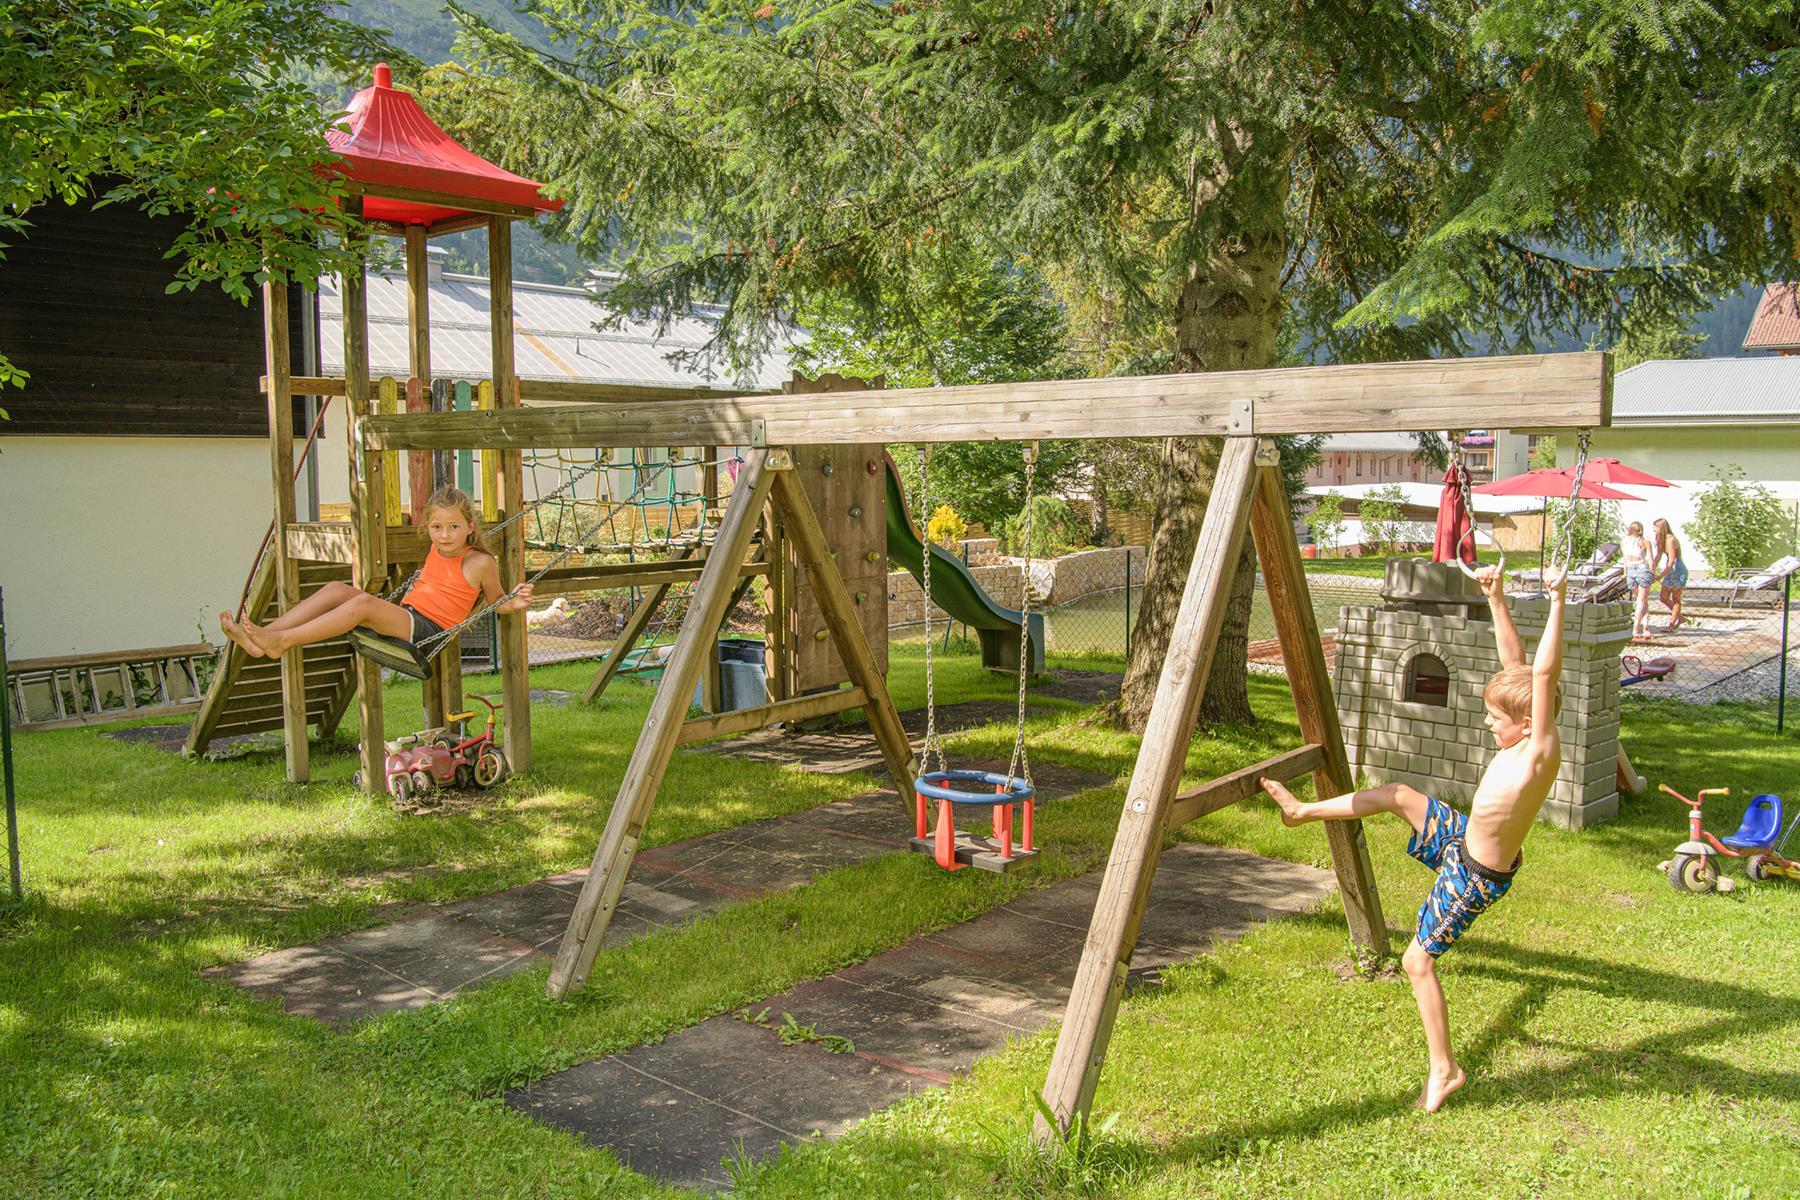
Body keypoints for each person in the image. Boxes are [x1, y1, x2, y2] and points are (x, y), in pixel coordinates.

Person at [1261, 563, 1567, 1113]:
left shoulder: (1540, 754)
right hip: (1462, 839)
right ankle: (1302, 812)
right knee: (1398, 794)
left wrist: (1559, 600)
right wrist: (1495, 597)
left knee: (1416, 962)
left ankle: (1445, 1069)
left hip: (1475, 877)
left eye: (1496, 718)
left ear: (1528, 723)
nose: (1488, 723)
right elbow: (1517, 663)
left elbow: (1541, 675)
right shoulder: (1521, 736)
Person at [220, 486, 533, 658]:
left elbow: (496, 601)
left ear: (470, 527)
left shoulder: (480, 562)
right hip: (409, 616)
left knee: (363, 604)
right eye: (437, 527)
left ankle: (282, 641)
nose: (445, 535)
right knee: (335, 589)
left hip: (429, 632)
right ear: (428, 527)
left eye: (454, 527)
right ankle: (263, 639)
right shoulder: (436, 548)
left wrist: (514, 602)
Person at [1652, 517, 1687, 632]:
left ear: (1661, 528)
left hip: (1677, 569)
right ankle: (1680, 617)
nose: (1654, 530)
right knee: (1663, 597)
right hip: (1669, 569)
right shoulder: (1661, 539)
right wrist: (1652, 569)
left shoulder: (1670, 539)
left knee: (1676, 598)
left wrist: (1660, 576)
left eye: (1655, 528)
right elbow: (1658, 556)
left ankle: (1672, 624)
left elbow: (1672, 560)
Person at [1621, 520, 1654, 639]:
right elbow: (1650, 559)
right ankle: (1637, 628)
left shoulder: (1624, 541)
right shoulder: (1644, 542)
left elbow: (1625, 560)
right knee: (1642, 600)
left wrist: (1625, 573)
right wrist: (1653, 572)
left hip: (1631, 570)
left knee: (1641, 600)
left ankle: (1645, 627)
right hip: (1641, 569)